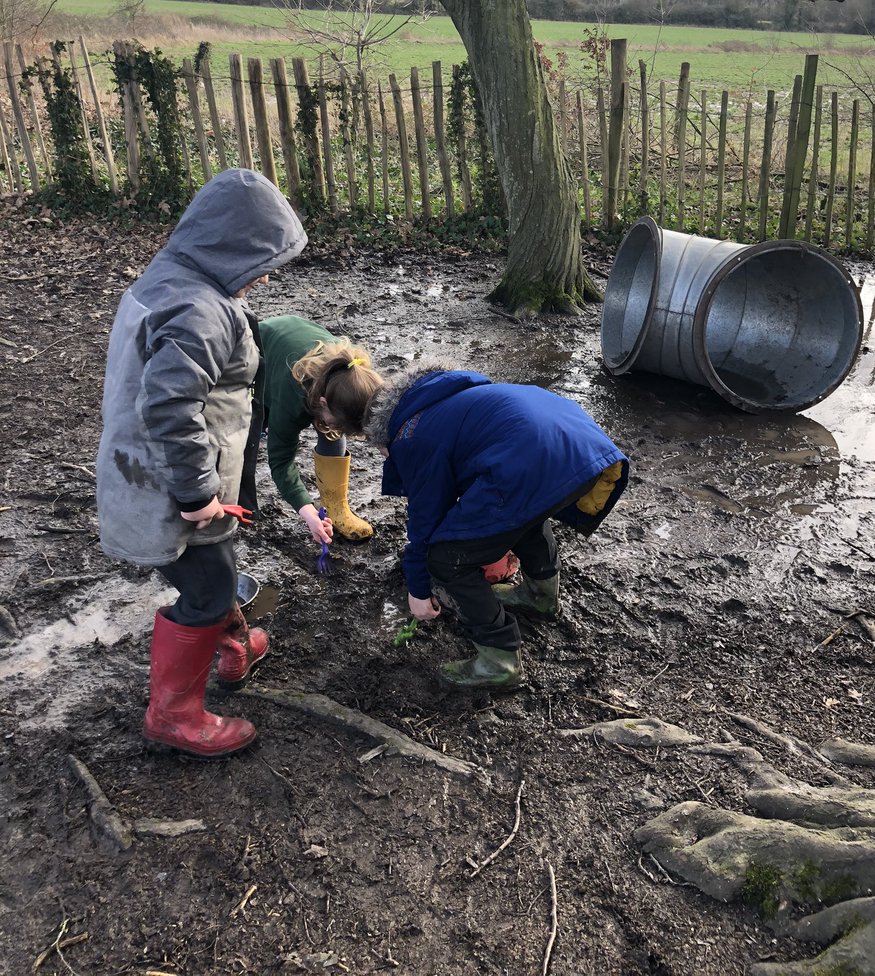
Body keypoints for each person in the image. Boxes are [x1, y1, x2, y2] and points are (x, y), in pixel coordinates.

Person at [95, 168, 308, 759]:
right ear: (229, 246)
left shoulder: (170, 278)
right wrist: (196, 495)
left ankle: (232, 641)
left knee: (216, 569)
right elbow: (170, 404)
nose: (266, 274)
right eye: (261, 259)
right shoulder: (199, 309)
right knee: (208, 586)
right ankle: (174, 715)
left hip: (154, 469)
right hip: (171, 484)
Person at [358, 364, 630, 690]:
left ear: (381, 434)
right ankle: (541, 596)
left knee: (446, 559)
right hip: (584, 450)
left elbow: (425, 524)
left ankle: (499, 662)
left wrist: (418, 591)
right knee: (525, 514)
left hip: (539, 459)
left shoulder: (410, 436)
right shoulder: (444, 398)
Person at [237, 316, 383, 542]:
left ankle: (336, 508)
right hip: (257, 353)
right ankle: (231, 500)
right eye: (338, 424)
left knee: (331, 430)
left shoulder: (353, 376)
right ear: (322, 402)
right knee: (247, 430)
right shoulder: (290, 399)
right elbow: (280, 461)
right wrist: (306, 510)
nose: (338, 430)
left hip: (300, 352)